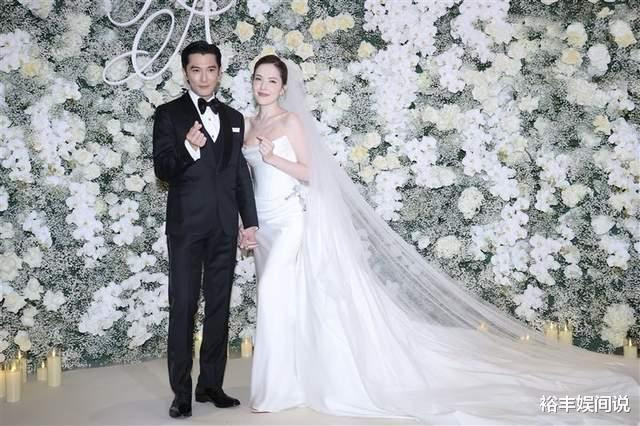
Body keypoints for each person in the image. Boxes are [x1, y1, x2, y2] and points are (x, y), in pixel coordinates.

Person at [241, 55, 639, 425]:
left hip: (292, 221)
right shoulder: (247, 124)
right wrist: (247, 222)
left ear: (283, 87)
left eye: (272, 81)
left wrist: (274, 158)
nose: (264, 86)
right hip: (265, 226)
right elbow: (240, 181)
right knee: (286, 301)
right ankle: (295, 379)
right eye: (259, 79)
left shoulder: (291, 123)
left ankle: (275, 390)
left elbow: (312, 172)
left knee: (273, 293)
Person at [152, 40, 258, 419]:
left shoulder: (233, 117)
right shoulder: (168, 114)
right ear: (186, 73)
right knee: (183, 307)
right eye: (196, 70)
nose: (203, 77)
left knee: (218, 307)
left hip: (224, 230)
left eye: (210, 69)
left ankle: (211, 385)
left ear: (219, 72)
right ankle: (181, 393)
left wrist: (250, 221)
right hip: (186, 229)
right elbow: (162, 169)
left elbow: (239, 175)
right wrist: (187, 147)